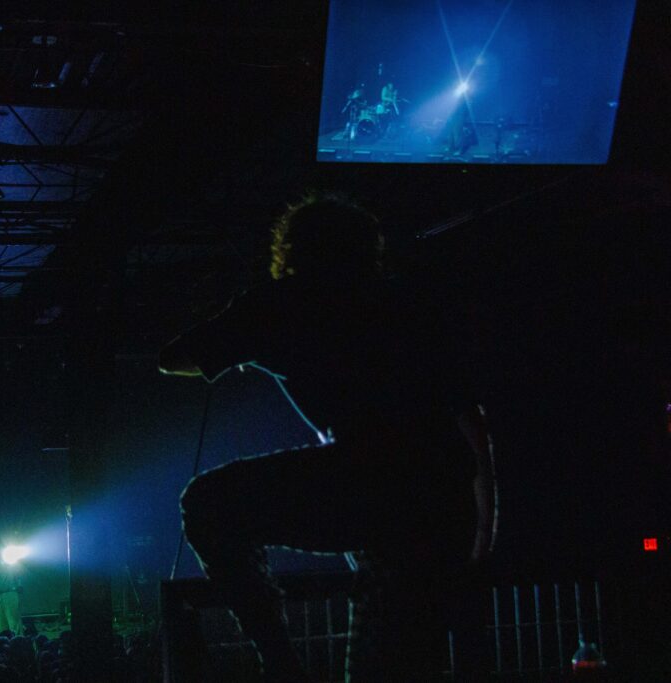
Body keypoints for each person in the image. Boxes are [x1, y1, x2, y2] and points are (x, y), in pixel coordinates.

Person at [159, 196, 496, 681]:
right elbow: (471, 422)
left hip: (367, 483)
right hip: (440, 496)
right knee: (397, 659)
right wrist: (484, 524)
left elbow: (173, 357)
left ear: (291, 250)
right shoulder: (409, 303)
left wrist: (236, 335)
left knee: (208, 504)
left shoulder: (283, 304)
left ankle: (279, 660)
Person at [0, 571, 24, 635]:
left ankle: (16, 640)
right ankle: (5, 640)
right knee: (2, 622)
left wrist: (18, 586)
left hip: (11, 593)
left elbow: (19, 578)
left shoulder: (13, 568)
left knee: (13, 620)